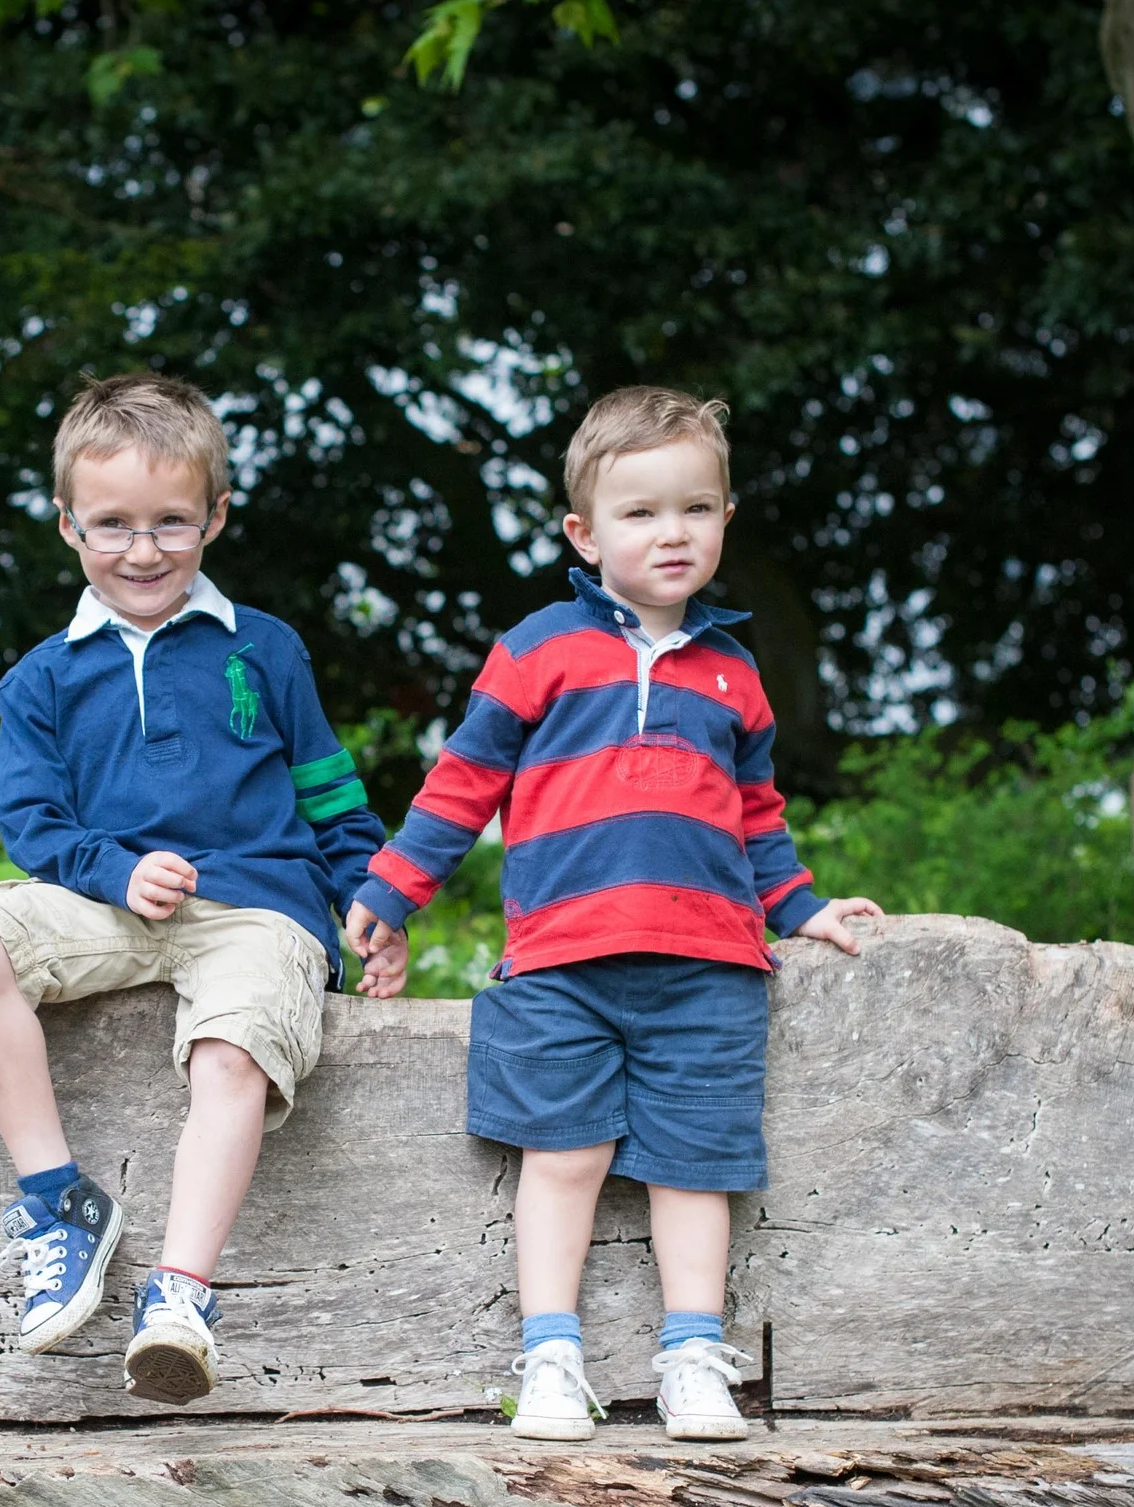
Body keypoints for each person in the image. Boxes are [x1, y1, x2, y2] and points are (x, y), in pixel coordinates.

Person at [344, 386, 880, 1442]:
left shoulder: (734, 674)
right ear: (584, 534)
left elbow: (757, 814)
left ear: (726, 518)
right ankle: (551, 1355)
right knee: (565, 1156)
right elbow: (463, 783)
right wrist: (393, 888)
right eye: (640, 512)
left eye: (696, 508)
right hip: (560, 961)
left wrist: (800, 907)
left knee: (695, 1167)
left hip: (709, 967)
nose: (672, 532)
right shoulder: (539, 649)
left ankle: (692, 1356)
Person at [0, 371, 403, 1404]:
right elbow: (33, 823)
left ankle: (180, 1294)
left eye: (170, 523)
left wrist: (372, 903)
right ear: (69, 525)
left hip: (256, 908)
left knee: (233, 1047)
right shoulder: (42, 678)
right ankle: (59, 1204)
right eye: (113, 525)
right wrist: (115, 869)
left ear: (215, 517)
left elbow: (331, 793)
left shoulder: (265, 648)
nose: (142, 550)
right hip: (108, 903)